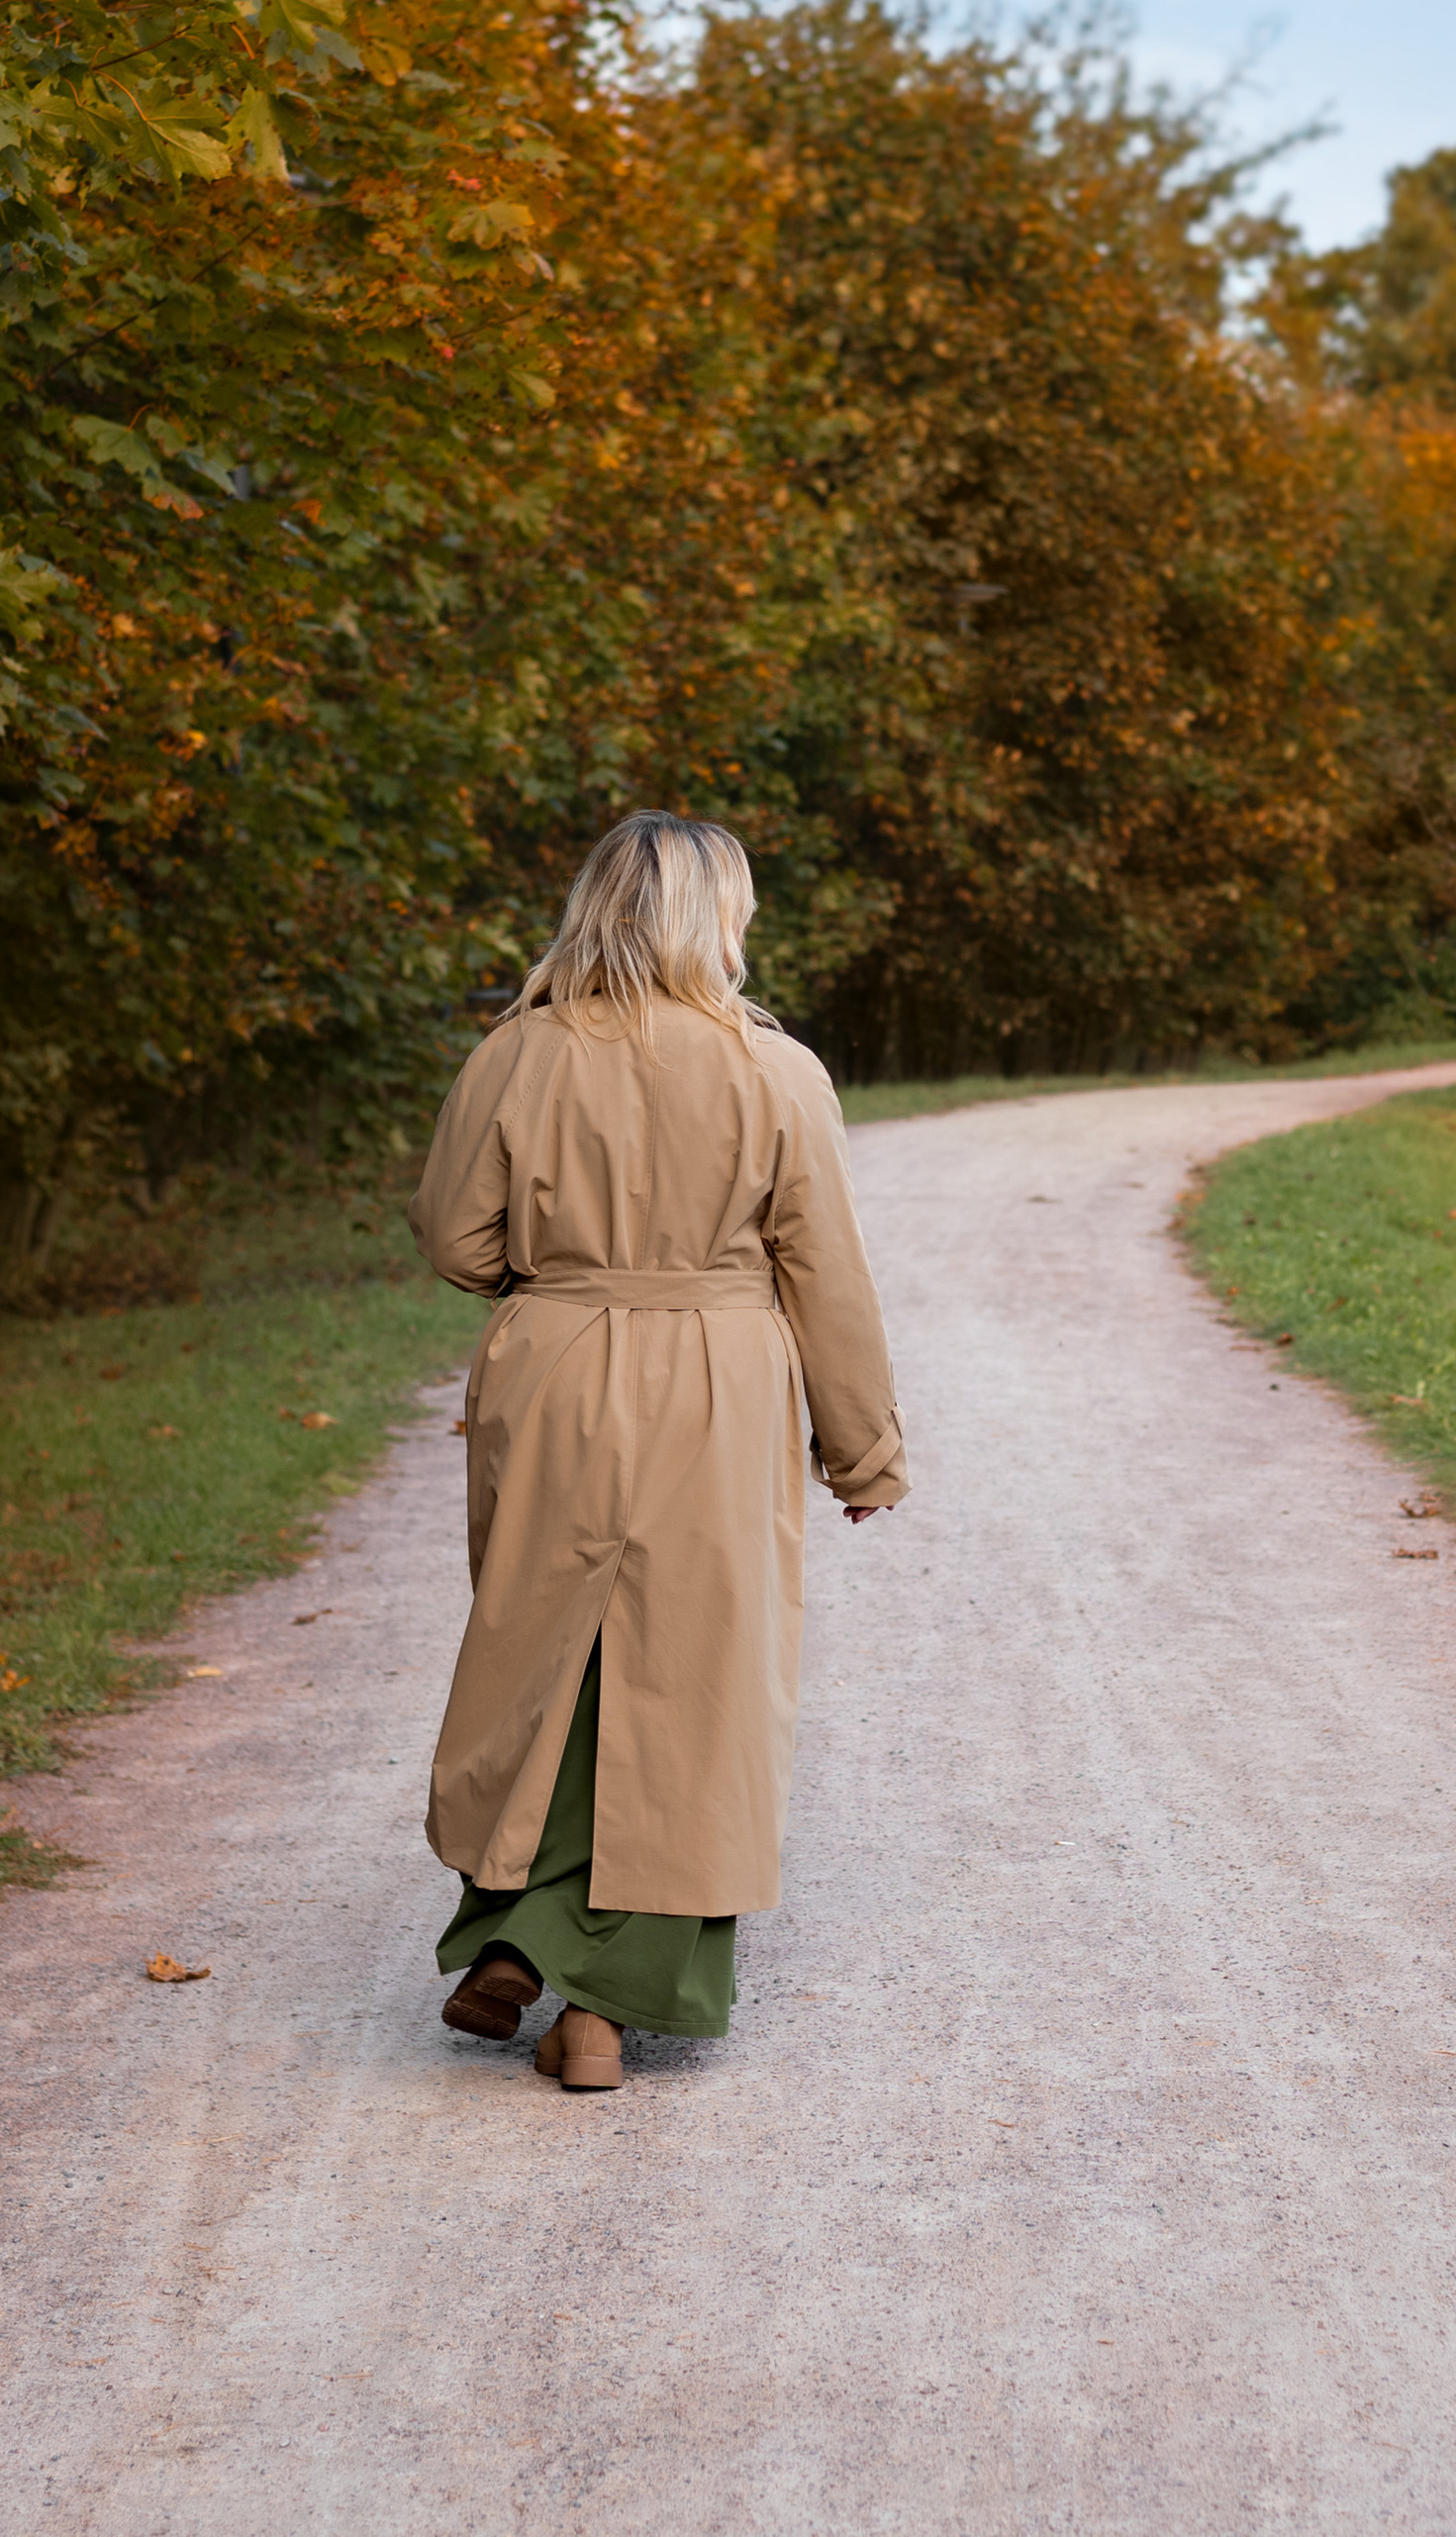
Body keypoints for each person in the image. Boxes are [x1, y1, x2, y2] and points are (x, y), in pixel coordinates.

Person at [409, 812, 906, 2091]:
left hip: (559, 1367)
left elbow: (459, 1243)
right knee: (688, 1671)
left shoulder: (517, 1055)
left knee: (544, 1638)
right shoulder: (775, 1071)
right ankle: (603, 2010)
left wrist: (567, 1271)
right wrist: (863, 1451)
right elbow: (828, 1277)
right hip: (718, 1383)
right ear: (715, 920)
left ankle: (517, 1927)